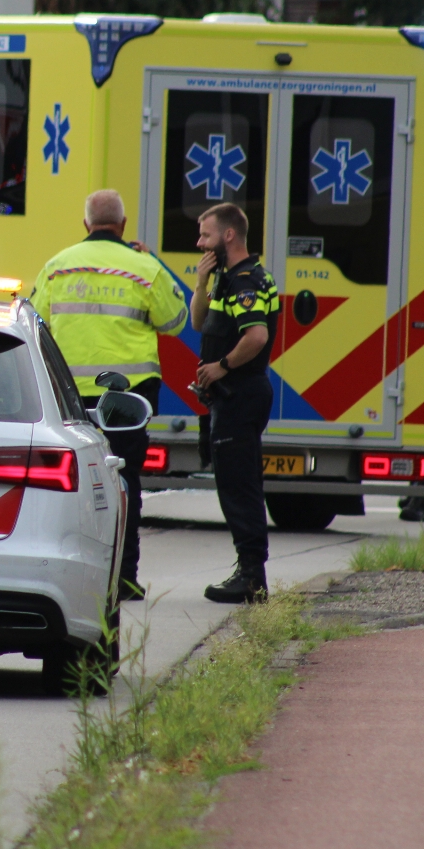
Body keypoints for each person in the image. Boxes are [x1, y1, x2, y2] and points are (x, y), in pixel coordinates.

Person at [31, 189, 187, 600]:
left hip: (66, 400)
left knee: (73, 487)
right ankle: (124, 579)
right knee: (124, 484)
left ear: (86, 224)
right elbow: (175, 319)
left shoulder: (56, 267)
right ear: (122, 225)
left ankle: (77, 577)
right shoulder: (142, 267)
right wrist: (151, 260)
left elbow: (33, 323)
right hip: (126, 403)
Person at [191, 202, 278, 604]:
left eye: (205, 235)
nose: (199, 243)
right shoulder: (228, 279)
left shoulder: (246, 280)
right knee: (234, 484)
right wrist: (200, 285)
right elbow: (198, 323)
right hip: (232, 396)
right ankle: (249, 572)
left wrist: (222, 366)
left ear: (228, 235)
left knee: (239, 487)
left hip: (241, 393)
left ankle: (251, 578)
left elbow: (256, 336)